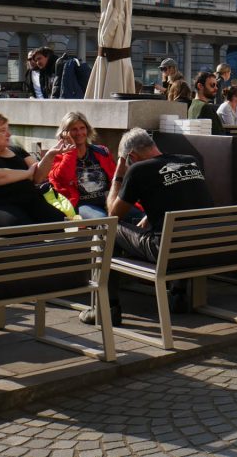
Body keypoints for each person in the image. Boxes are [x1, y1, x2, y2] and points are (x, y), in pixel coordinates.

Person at [86, 128, 214, 326]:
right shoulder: (190, 160)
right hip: (209, 247)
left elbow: (113, 214)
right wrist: (148, 215)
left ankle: (106, 308)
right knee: (173, 231)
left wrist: (118, 176)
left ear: (131, 156)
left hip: (168, 252)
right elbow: (181, 199)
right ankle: (179, 295)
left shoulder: (138, 169)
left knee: (105, 228)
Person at [0, 113, 68, 230]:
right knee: (19, 225)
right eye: (2, 131)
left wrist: (50, 155)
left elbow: (38, 177)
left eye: (8, 129)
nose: (9, 134)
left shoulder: (17, 150)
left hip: (28, 201)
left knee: (57, 221)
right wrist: (27, 174)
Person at [48, 111, 125, 220]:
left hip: (108, 200)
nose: (79, 133)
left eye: (82, 128)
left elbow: (115, 179)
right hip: (82, 205)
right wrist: (71, 150)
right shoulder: (57, 156)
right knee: (104, 221)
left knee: (138, 215)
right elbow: (64, 178)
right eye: (74, 129)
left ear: (87, 130)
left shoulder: (101, 152)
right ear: (65, 133)